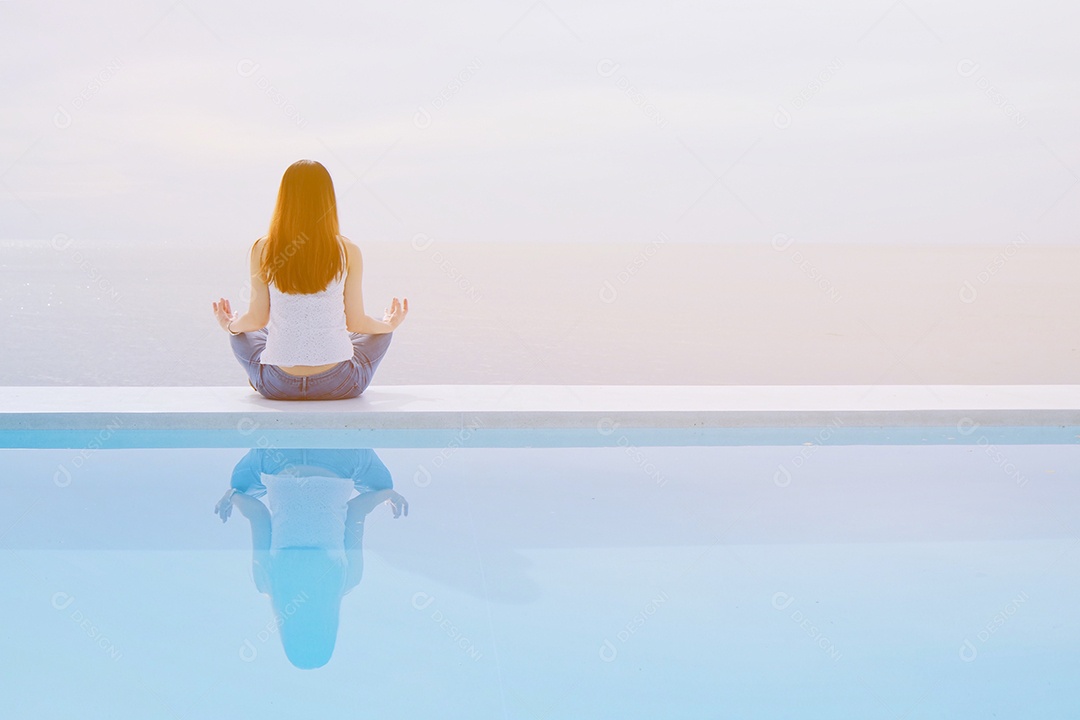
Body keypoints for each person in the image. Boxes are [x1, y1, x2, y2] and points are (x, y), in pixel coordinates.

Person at [211, 159, 409, 400]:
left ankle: (258, 375)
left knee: (242, 333)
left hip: (277, 385)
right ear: (328, 200)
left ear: (284, 199)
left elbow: (256, 319)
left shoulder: (263, 249)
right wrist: (389, 325)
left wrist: (229, 325)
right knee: (378, 328)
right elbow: (356, 323)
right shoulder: (348, 251)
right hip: (339, 383)